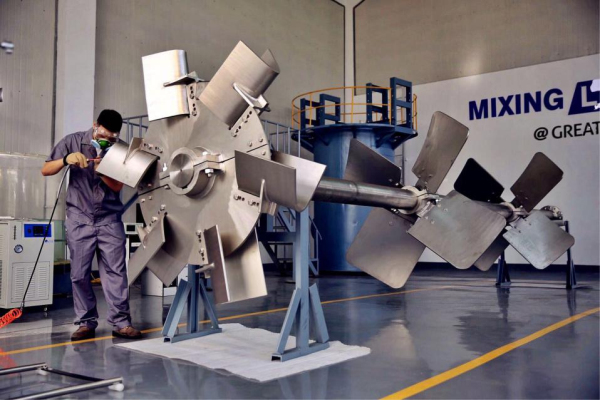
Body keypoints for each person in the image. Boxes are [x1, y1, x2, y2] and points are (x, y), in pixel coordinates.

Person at [41, 109, 142, 341]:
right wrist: (66, 159)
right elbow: (46, 169)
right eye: (103, 135)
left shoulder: (120, 149)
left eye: (112, 138)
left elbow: (117, 186)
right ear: (95, 125)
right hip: (79, 219)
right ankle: (86, 322)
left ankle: (121, 323)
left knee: (116, 273)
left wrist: (103, 170)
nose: (106, 140)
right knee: (79, 274)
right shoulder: (73, 141)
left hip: (109, 219)